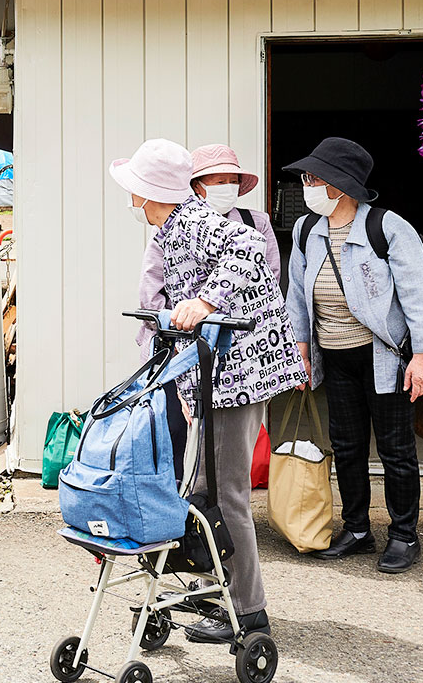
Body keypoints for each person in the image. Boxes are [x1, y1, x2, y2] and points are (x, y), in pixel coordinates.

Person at [111, 138, 305, 644]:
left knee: (227, 493)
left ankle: (247, 612)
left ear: (148, 193)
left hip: (245, 371)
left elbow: (247, 250)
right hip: (213, 371)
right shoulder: (170, 229)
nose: (131, 200)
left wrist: (203, 299)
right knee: (199, 488)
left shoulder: (195, 221)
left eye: (135, 190)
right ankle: (210, 591)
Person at [284, 137, 423, 573]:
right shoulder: (306, 231)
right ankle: (357, 528)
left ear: (340, 184)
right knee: (347, 446)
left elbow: (419, 294)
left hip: (386, 356)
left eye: (313, 178)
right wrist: (299, 348)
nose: (307, 185)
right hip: (335, 356)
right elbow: (296, 297)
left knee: (395, 449)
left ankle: (403, 535)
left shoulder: (387, 227)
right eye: (305, 178)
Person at [136, 144, 281, 476]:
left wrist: (212, 304)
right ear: (196, 186)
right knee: (178, 438)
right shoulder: (172, 228)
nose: (227, 187)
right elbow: (153, 291)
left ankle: (206, 518)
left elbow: (268, 279)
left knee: (221, 465)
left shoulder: (253, 223)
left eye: (232, 180)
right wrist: (175, 338)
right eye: (218, 180)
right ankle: (181, 510)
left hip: (237, 357)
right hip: (182, 350)